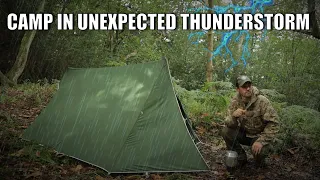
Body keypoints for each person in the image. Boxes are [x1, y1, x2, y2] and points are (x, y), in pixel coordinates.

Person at [221, 75, 280, 168]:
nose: (248, 88)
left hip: (259, 136)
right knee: (226, 131)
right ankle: (241, 157)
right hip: (244, 133)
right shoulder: (235, 101)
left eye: (249, 85)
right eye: (244, 87)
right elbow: (228, 123)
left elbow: (274, 123)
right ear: (238, 89)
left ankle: (260, 162)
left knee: (260, 152)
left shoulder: (262, 101)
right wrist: (233, 117)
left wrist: (261, 141)